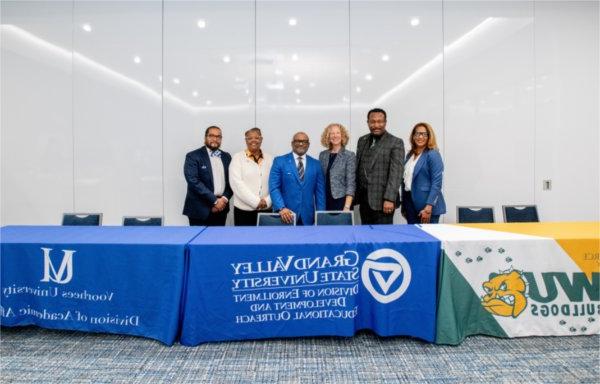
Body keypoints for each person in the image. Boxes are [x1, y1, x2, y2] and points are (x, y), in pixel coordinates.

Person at [355, 108, 404, 224]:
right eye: (372, 121)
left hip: (383, 202)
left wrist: (389, 199)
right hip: (364, 201)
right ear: (368, 122)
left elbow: (396, 174)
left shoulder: (395, 142)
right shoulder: (362, 140)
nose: (376, 125)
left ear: (385, 122)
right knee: (366, 237)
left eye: (380, 121)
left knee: (382, 238)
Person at [269, 132, 325, 225]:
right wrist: (281, 208)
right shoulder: (279, 161)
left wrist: (320, 216)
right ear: (292, 143)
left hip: (308, 217)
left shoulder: (316, 164)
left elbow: (320, 194)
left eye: (304, 141)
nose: (301, 144)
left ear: (308, 145)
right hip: (285, 215)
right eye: (298, 141)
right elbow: (274, 187)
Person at [182, 126, 233, 226]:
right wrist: (214, 201)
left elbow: (232, 181)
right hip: (199, 210)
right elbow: (193, 181)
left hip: (221, 208)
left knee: (218, 240)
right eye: (211, 136)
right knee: (198, 241)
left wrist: (224, 199)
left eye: (218, 136)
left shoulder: (226, 156)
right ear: (205, 137)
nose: (215, 139)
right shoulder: (193, 156)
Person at [401, 122, 446, 224]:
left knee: (428, 238)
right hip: (410, 202)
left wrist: (428, 207)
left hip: (426, 205)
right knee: (413, 238)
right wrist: (405, 205)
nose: (420, 137)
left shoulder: (433, 154)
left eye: (424, 134)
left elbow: (437, 183)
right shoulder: (410, 155)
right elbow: (405, 180)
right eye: (417, 134)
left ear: (429, 137)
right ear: (413, 136)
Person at [229, 127, 273, 226]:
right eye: (249, 138)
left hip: (266, 209)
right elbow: (236, 183)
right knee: (245, 240)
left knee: (266, 239)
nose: (253, 140)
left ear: (261, 139)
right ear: (246, 140)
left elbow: (275, 183)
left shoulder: (271, 159)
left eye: (257, 138)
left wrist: (267, 201)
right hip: (244, 211)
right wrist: (256, 202)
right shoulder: (237, 158)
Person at [318, 123, 356, 211]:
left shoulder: (349, 155)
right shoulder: (322, 155)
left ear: (342, 136)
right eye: (332, 133)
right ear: (328, 136)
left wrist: (347, 206)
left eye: (338, 133)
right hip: (325, 200)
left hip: (342, 201)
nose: (335, 136)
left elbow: (351, 182)